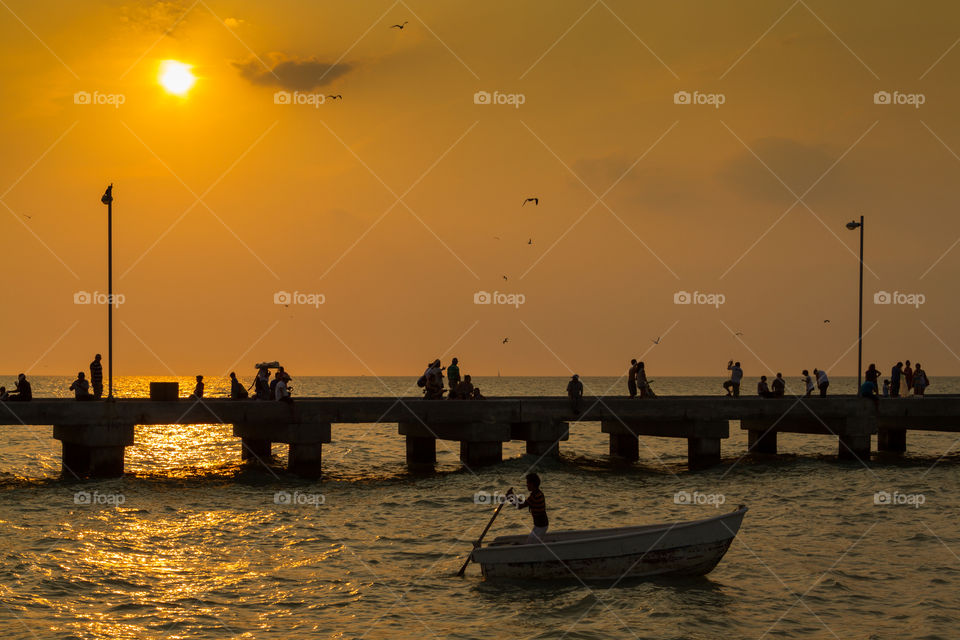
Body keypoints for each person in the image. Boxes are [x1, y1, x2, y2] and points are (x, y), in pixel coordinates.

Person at [507, 473, 548, 545]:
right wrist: (512, 495)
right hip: (538, 525)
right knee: (530, 542)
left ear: (532, 484)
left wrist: (510, 499)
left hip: (541, 526)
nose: (527, 486)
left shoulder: (536, 495)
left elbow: (520, 506)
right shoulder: (535, 494)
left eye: (528, 484)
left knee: (530, 544)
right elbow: (523, 502)